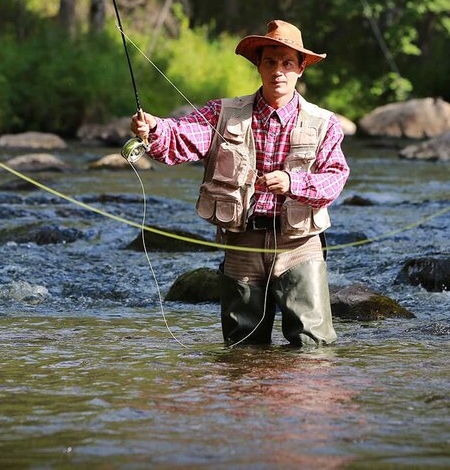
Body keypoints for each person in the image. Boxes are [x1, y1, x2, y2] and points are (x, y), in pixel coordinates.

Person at [130, 19, 349, 346]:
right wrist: (154, 128)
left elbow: (335, 178)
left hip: (299, 244)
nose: (278, 71)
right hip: (241, 244)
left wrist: (293, 182)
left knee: (313, 347)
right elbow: (181, 139)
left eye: (287, 63)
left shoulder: (324, 123)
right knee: (242, 350)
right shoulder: (223, 113)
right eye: (270, 62)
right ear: (258, 66)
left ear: (301, 69)